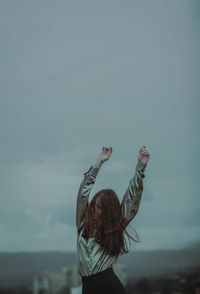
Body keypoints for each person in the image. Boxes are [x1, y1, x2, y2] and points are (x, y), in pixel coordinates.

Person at [76, 145, 150, 294]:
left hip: (108, 286)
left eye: (99, 207)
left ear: (108, 212)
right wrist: (98, 163)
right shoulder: (83, 223)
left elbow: (132, 200)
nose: (94, 209)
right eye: (94, 205)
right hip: (88, 287)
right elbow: (83, 194)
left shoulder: (115, 227)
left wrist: (140, 167)